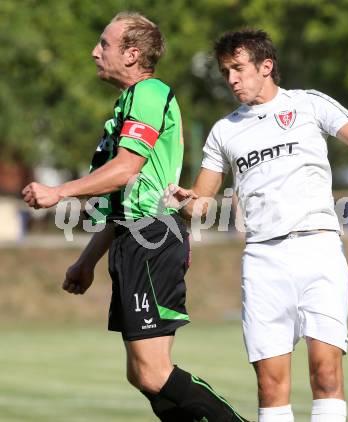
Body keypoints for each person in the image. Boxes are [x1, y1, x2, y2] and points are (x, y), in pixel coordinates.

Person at [165, 29, 348, 422]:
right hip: (263, 259)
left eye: (239, 68)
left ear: (266, 66)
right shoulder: (224, 130)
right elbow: (203, 201)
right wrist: (186, 203)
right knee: (270, 386)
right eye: (226, 71)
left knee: (326, 373)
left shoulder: (308, 104)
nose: (231, 79)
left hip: (319, 250)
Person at [22, 12, 250, 422]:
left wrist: (59, 191)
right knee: (142, 374)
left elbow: (125, 169)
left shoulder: (150, 92)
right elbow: (125, 198)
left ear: (131, 54)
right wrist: (86, 261)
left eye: (104, 45)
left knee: (153, 370)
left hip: (153, 238)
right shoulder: (127, 102)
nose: (95, 52)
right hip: (134, 238)